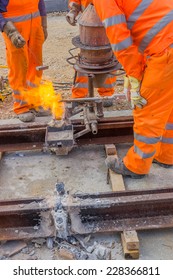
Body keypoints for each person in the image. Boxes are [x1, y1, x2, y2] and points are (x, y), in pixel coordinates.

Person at [92, 0, 173, 178]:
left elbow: (119, 38)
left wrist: (134, 73)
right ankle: (167, 155)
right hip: (168, 42)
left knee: (147, 110)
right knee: (168, 107)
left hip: (166, 52)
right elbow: (149, 20)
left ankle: (136, 166)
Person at [0, 0, 48, 122]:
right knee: (19, 67)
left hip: (35, 23)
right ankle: (21, 106)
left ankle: (34, 101)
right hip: (14, 28)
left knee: (36, 66)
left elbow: (40, 2)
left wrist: (43, 23)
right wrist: (9, 30)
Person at [66, 0, 117, 107]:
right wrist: (73, 11)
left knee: (108, 59)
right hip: (88, 24)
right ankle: (80, 94)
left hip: (110, 22)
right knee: (86, 60)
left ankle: (106, 93)